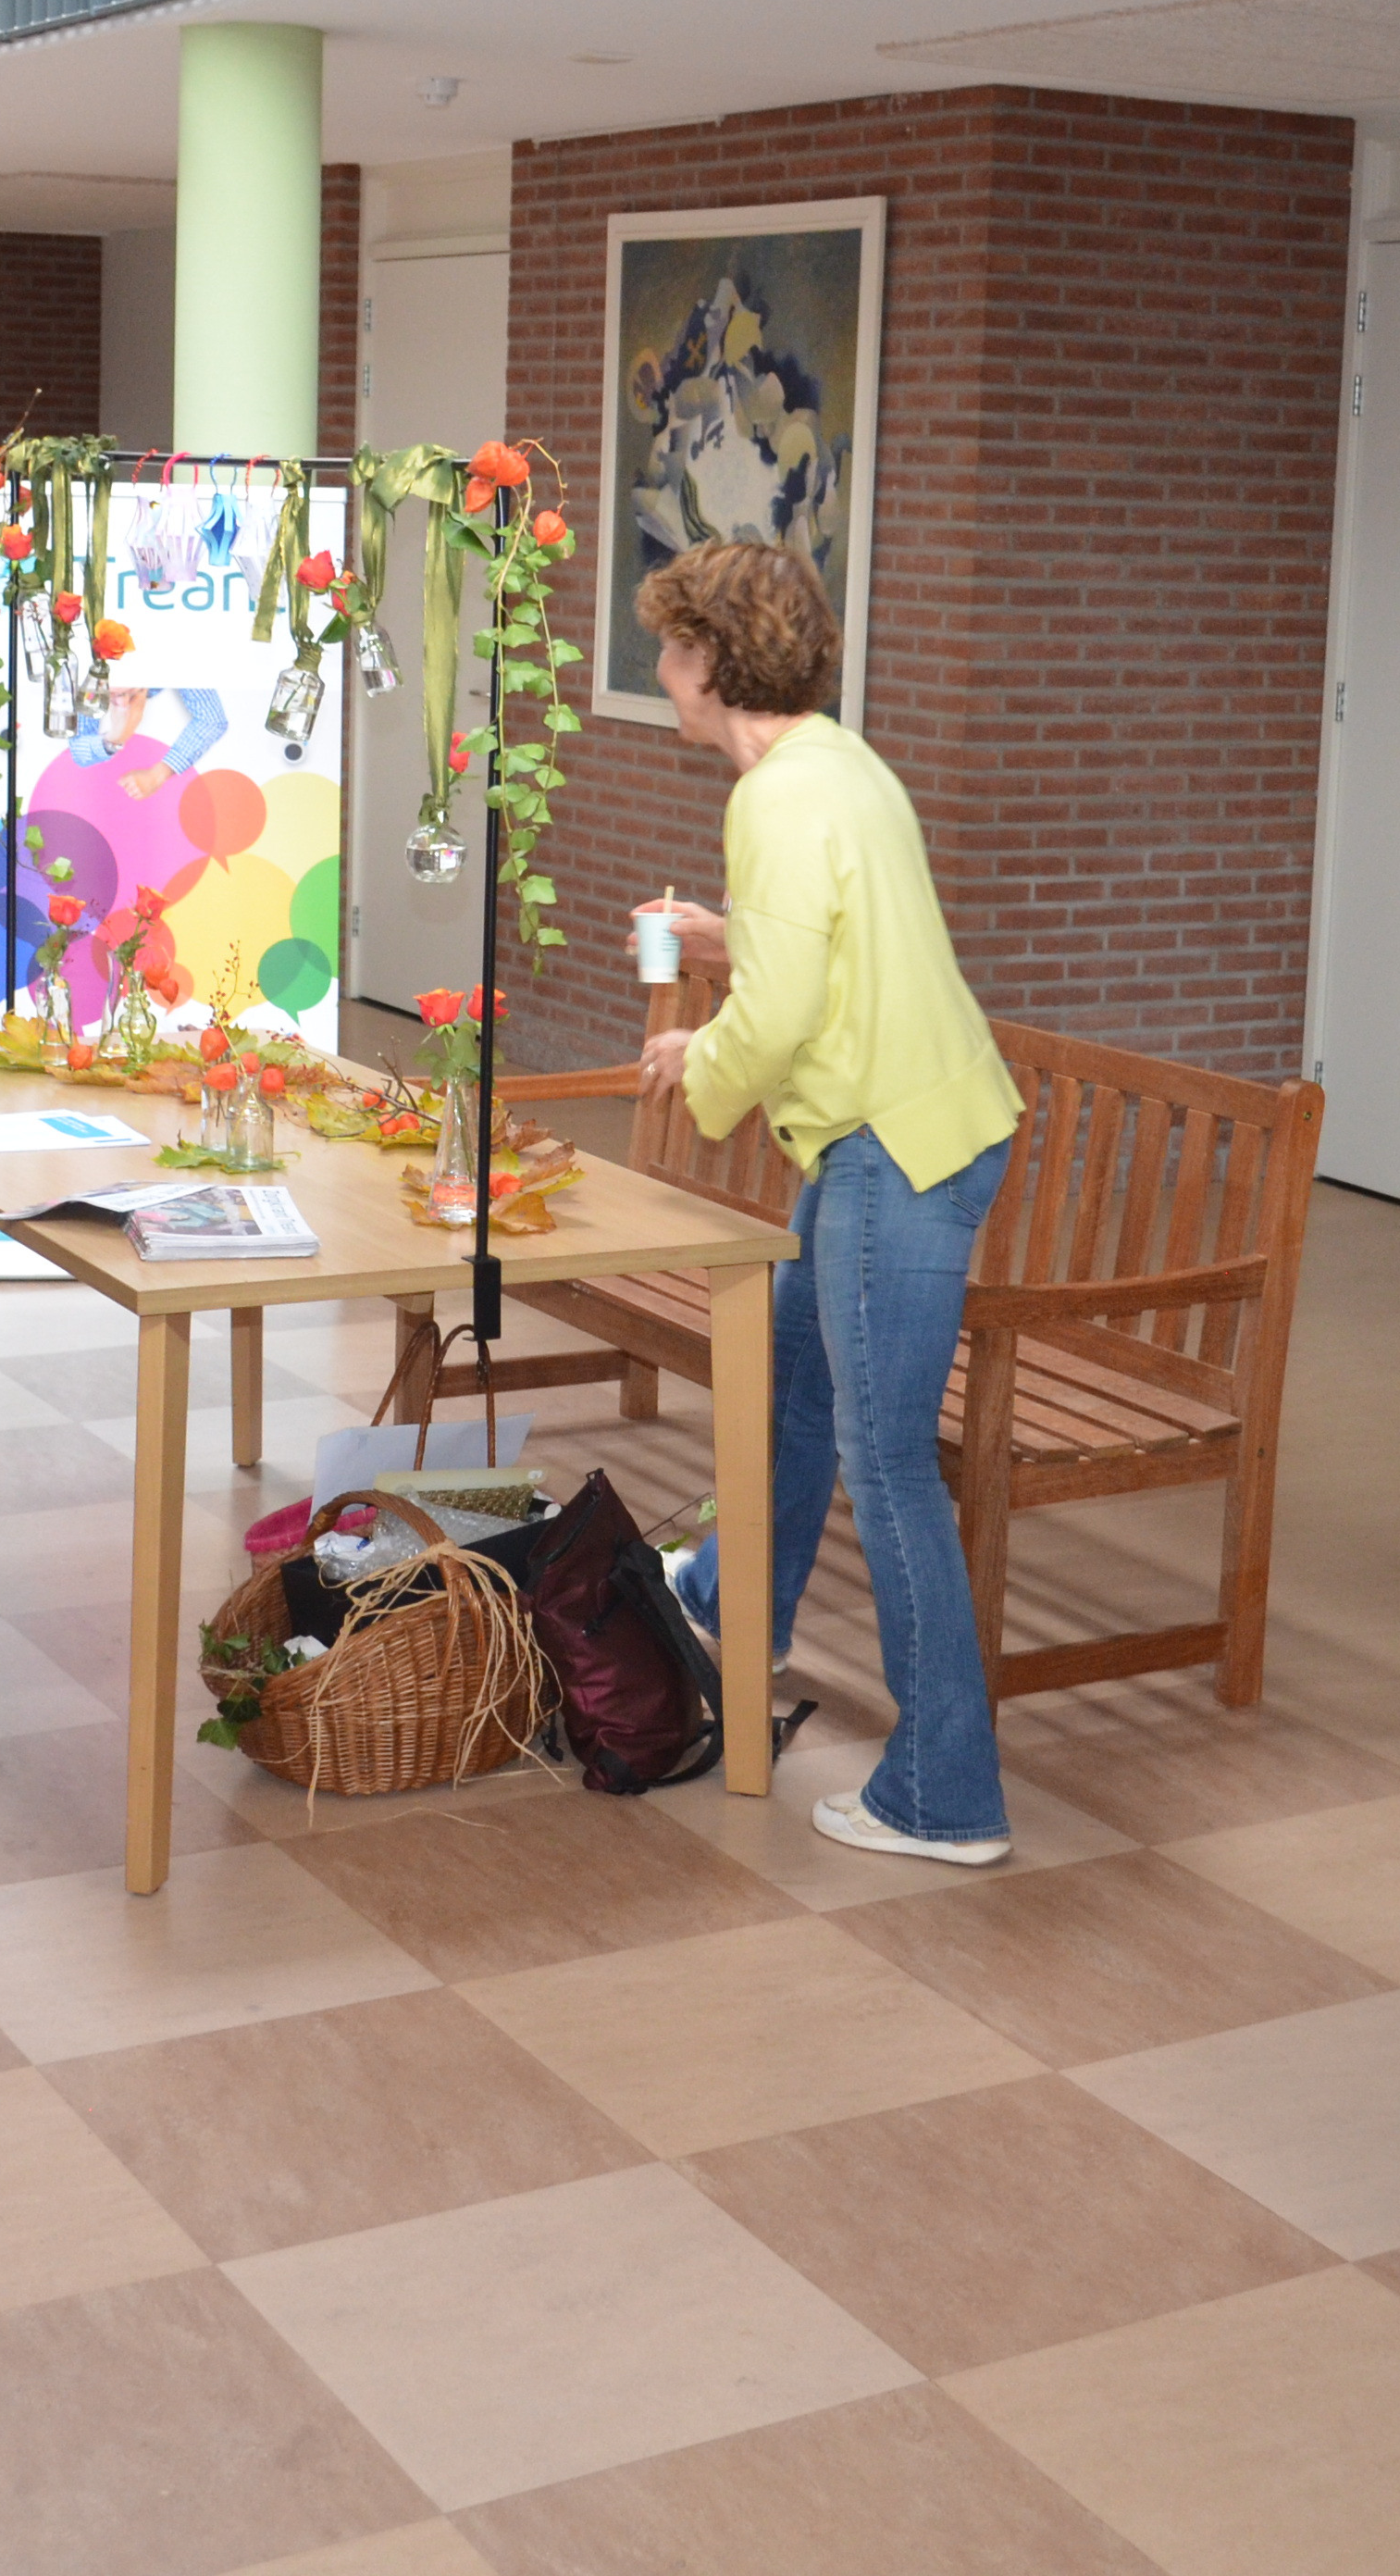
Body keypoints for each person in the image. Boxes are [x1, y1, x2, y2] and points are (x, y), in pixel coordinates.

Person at [629, 538, 1024, 1869]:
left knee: (887, 1462)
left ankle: (943, 1794)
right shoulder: (836, 765)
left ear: (709, 660)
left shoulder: (774, 801)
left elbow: (786, 1010)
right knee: (795, 1384)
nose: (660, 669)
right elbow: (835, 941)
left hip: (888, 1154)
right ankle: (732, 1601)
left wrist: (698, 1063)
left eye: (670, 646)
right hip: (921, 1129)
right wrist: (723, 939)